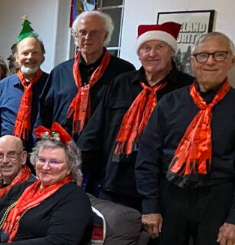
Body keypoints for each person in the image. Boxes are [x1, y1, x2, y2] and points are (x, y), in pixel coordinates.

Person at [135, 32, 235, 245]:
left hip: (216, 199)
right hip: (172, 196)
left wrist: (234, 217)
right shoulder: (171, 103)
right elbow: (147, 157)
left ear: (232, 61)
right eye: (202, 55)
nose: (210, 62)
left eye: (219, 55)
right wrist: (151, 205)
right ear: (191, 62)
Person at [79, 22, 193, 211]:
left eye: (160, 47)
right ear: (139, 54)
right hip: (116, 184)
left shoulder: (188, 89)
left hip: (164, 188)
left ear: (171, 52)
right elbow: (95, 131)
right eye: (146, 48)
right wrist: (76, 168)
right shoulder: (121, 83)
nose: (152, 53)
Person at [39, 11, 135, 191]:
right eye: (82, 32)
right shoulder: (60, 72)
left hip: (103, 163)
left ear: (106, 36)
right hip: (63, 159)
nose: (87, 38)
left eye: (94, 33)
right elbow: (44, 114)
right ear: (75, 36)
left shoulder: (124, 73)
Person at [0, 18, 49, 149]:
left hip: (41, 153)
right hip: (8, 153)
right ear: (16, 58)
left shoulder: (51, 84)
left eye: (35, 53)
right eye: (25, 53)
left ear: (42, 57)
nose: (30, 57)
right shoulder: (3, 86)